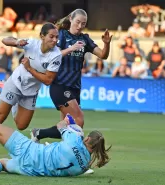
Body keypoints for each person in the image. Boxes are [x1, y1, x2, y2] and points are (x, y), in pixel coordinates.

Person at [0, 22, 63, 166]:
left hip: (31, 91)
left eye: (56, 37)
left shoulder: (56, 55)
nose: (54, 40)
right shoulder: (31, 44)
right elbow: (5, 40)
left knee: (21, 125)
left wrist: (29, 68)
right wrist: (16, 41)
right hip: (16, 82)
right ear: (42, 36)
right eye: (51, 36)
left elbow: (47, 80)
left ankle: (13, 102)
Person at [29, 9, 113, 174]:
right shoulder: (60, 36)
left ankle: (45, 140)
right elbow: (51, 56)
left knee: (66, 128)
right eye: (77, 22)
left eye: (83, 23)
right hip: (60, 85)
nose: (80, 26)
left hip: (74, 88)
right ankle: (43, 136)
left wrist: (107, 43)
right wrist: (71, 47)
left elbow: (103, 55)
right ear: (71, 20)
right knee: (78, 120)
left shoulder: (85, 39)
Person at [0, 114, 111, 176]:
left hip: (30, 151)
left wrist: (68, 121)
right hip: (31, 171)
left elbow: (60, 127)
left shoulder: (75, 140)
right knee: (2, 163)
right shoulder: (83, 167)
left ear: (87, 140)